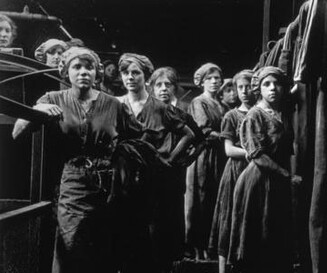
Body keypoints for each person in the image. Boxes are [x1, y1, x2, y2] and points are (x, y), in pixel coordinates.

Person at [11, 47, 141, 273]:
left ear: (96, 73)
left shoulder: (113, 104)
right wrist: (38, 110)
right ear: (66, 72)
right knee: (70, 246)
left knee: (104, 250)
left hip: (108, 187)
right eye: (77, 67)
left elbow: (137, 137)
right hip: (73, 182)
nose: (83, 72)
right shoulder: (53, 98)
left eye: (89, 67)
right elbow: (17, 132)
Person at [117, 53, 202, 272]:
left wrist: (171, 160)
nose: (130, 77)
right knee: (125, 230)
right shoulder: (116, 104)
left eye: (135, 72)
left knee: (155, 233)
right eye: (125, 73)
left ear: (144, 76)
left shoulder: (160, 108)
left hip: (154, 180)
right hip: (124, 177)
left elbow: (191, 134)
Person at [228, 66, 301, 273]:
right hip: (258, 180)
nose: (272, 88)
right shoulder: (254, 115)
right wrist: (288, 176)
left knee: (276, 237)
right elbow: (258, 155)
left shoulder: (282, 112)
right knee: (258, 237)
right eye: (266, 84)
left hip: (277, 181)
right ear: (258, 88)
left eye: (276, 84)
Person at [208, 69, 254, 273]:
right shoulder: (231, 116)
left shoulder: (262, 113)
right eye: (240, 87)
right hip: (236, 170)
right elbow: (228, 150)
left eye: (248, 86)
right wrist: (253, 154)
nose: (244, 91)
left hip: (257, 172)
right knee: (228, 216)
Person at [185, 62, 227, 260]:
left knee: (215, 198)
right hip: (203, 155)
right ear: (202, 82)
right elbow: (205, 131)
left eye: (217, 78)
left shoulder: (223, 104)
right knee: (201, 198)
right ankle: (197, 246)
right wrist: (227, 136)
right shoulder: (198, 102)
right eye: (209, 79)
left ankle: (212, 245)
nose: (213, 82)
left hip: (220, 156)